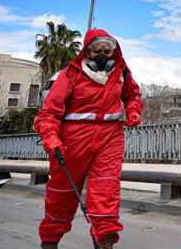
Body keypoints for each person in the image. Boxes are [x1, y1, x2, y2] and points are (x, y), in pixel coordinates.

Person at [34, 29, 143, 249]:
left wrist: (133, 110)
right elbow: (48, 112)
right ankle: (50, 240)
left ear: (114, 52)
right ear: (87, 51)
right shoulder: (70, 75)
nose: (102, 55)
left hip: (110, 137)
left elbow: (132, 95)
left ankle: (104, 238)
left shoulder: (120, 72)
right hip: (72, 139)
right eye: (96, 50)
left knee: (106, 188)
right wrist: (51, 137)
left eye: (107, 51)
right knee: (62, 193)